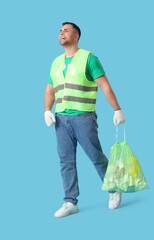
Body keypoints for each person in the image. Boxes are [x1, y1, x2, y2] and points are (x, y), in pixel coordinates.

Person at [44, 22, 125, 218]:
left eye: (66, 30)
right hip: (61, 120)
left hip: (84, 118)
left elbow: (105, 85)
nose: (62, 33)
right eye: (60, 31)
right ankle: (70, 202)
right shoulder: (55, 62)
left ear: (77, 36)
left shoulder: (89, 58)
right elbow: (49, 88)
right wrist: (47, 110)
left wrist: (117, 109)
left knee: (96, 156)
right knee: (66, 161)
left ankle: (114, 189)